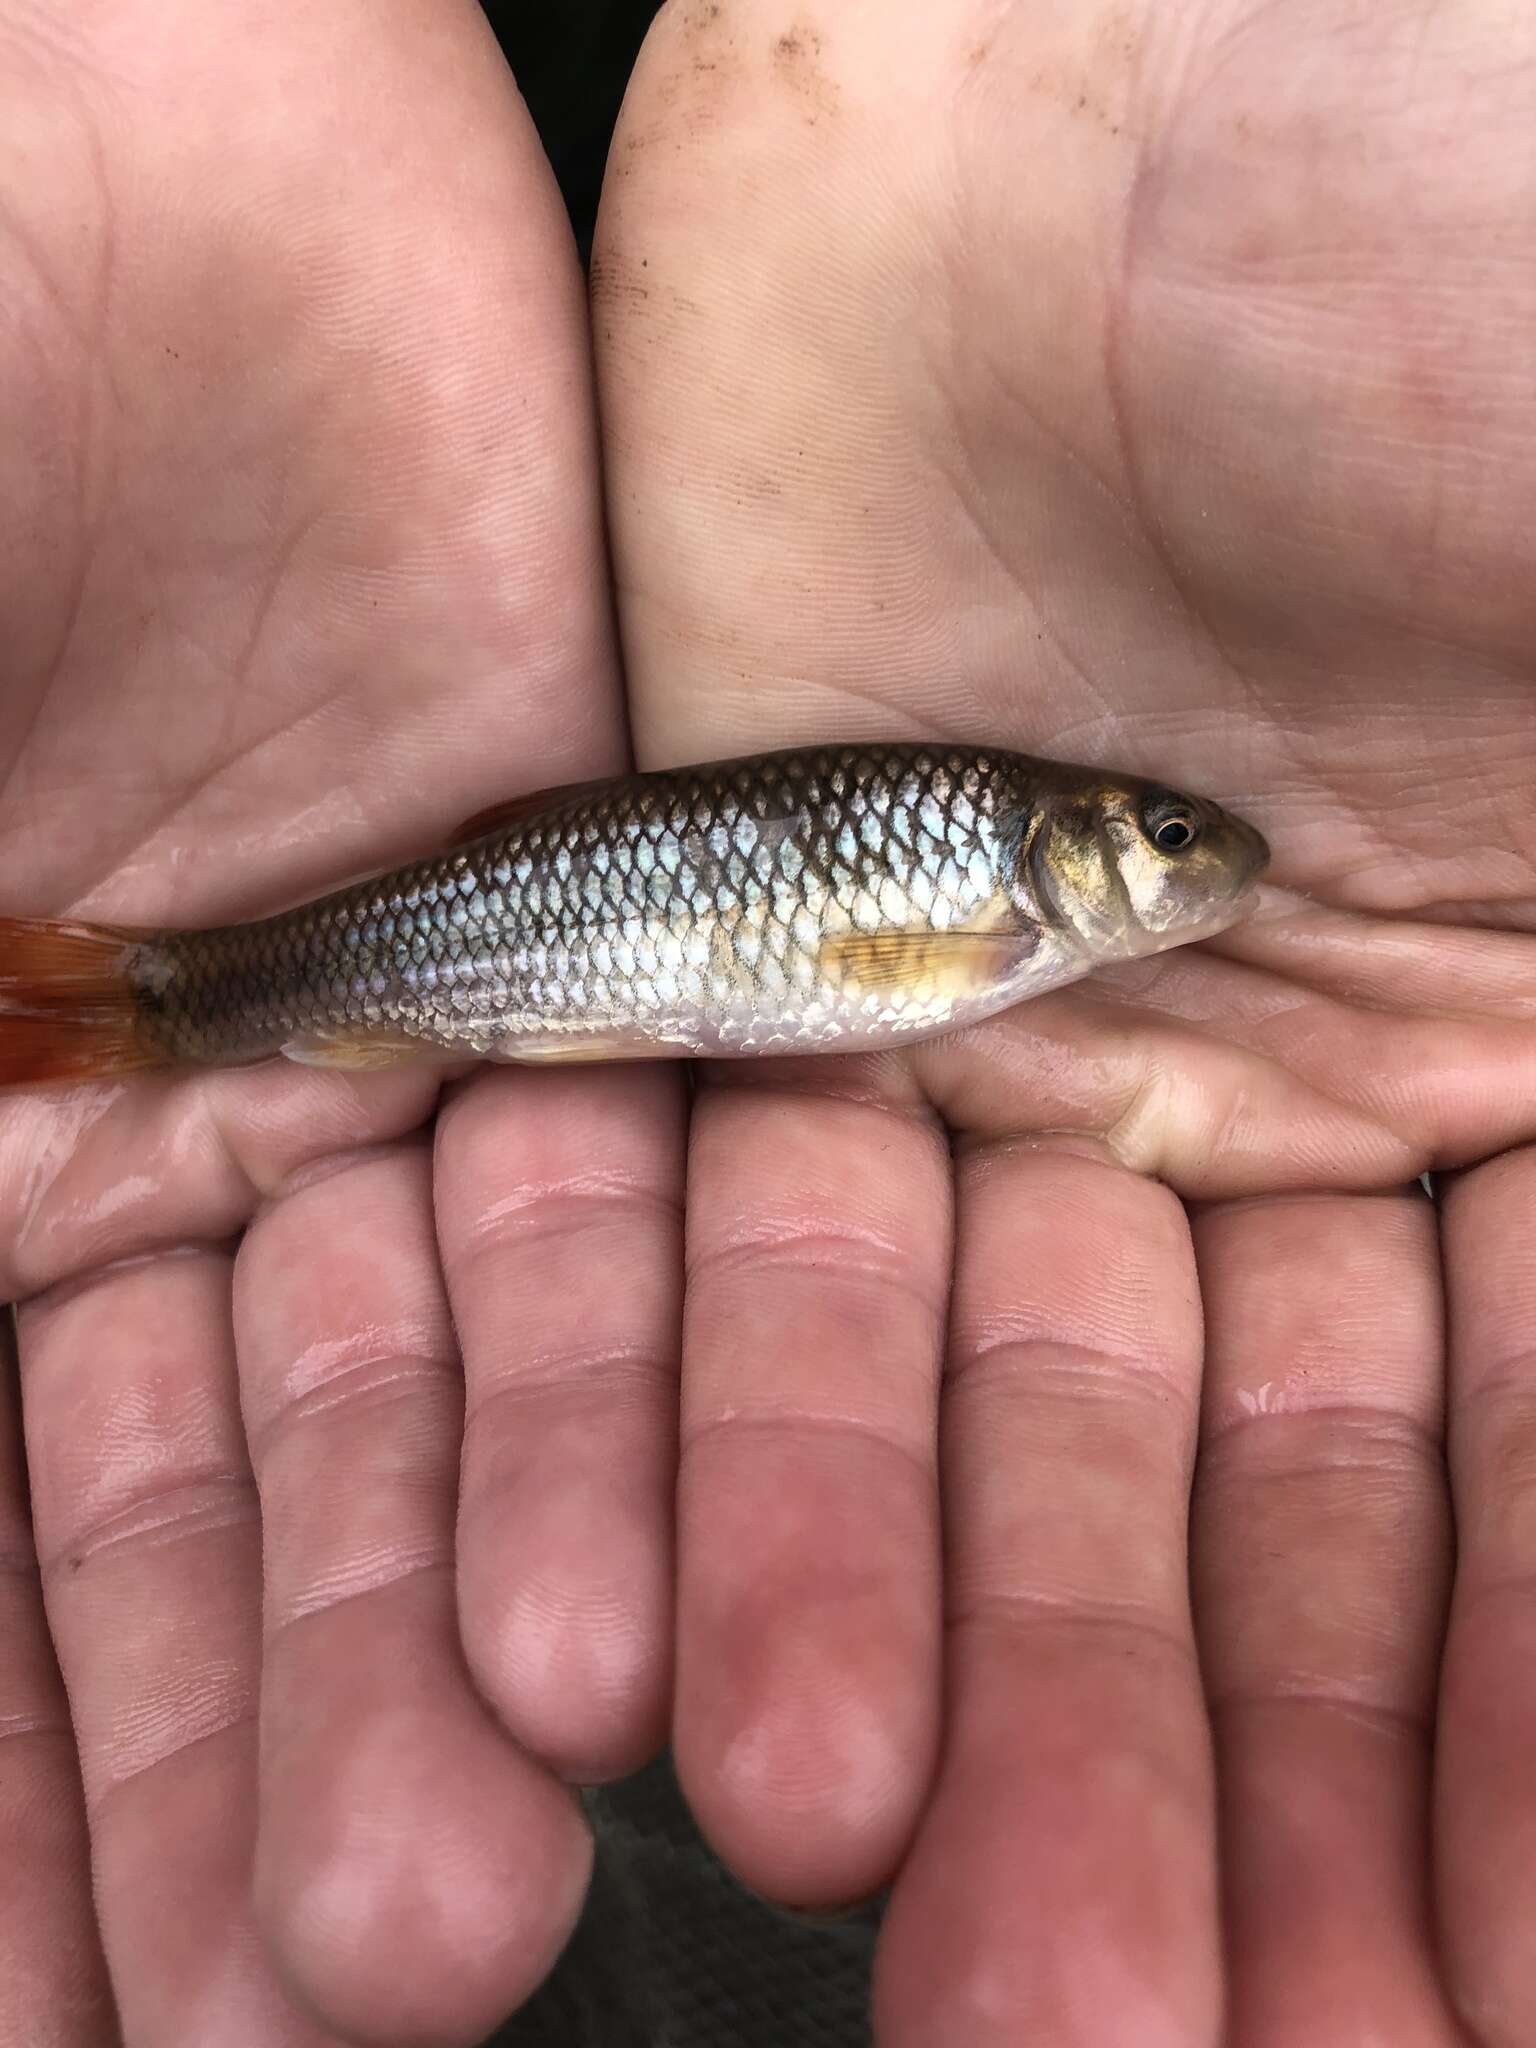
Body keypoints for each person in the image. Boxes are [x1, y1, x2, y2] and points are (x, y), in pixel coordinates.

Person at [2, 1, 1533, 2041]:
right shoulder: (981, 905)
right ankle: (154, 1010)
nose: (1189, 872)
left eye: (1172, 849)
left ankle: (163, 1009)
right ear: (1073, 851)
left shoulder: (1000, 902)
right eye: (1163, 846)